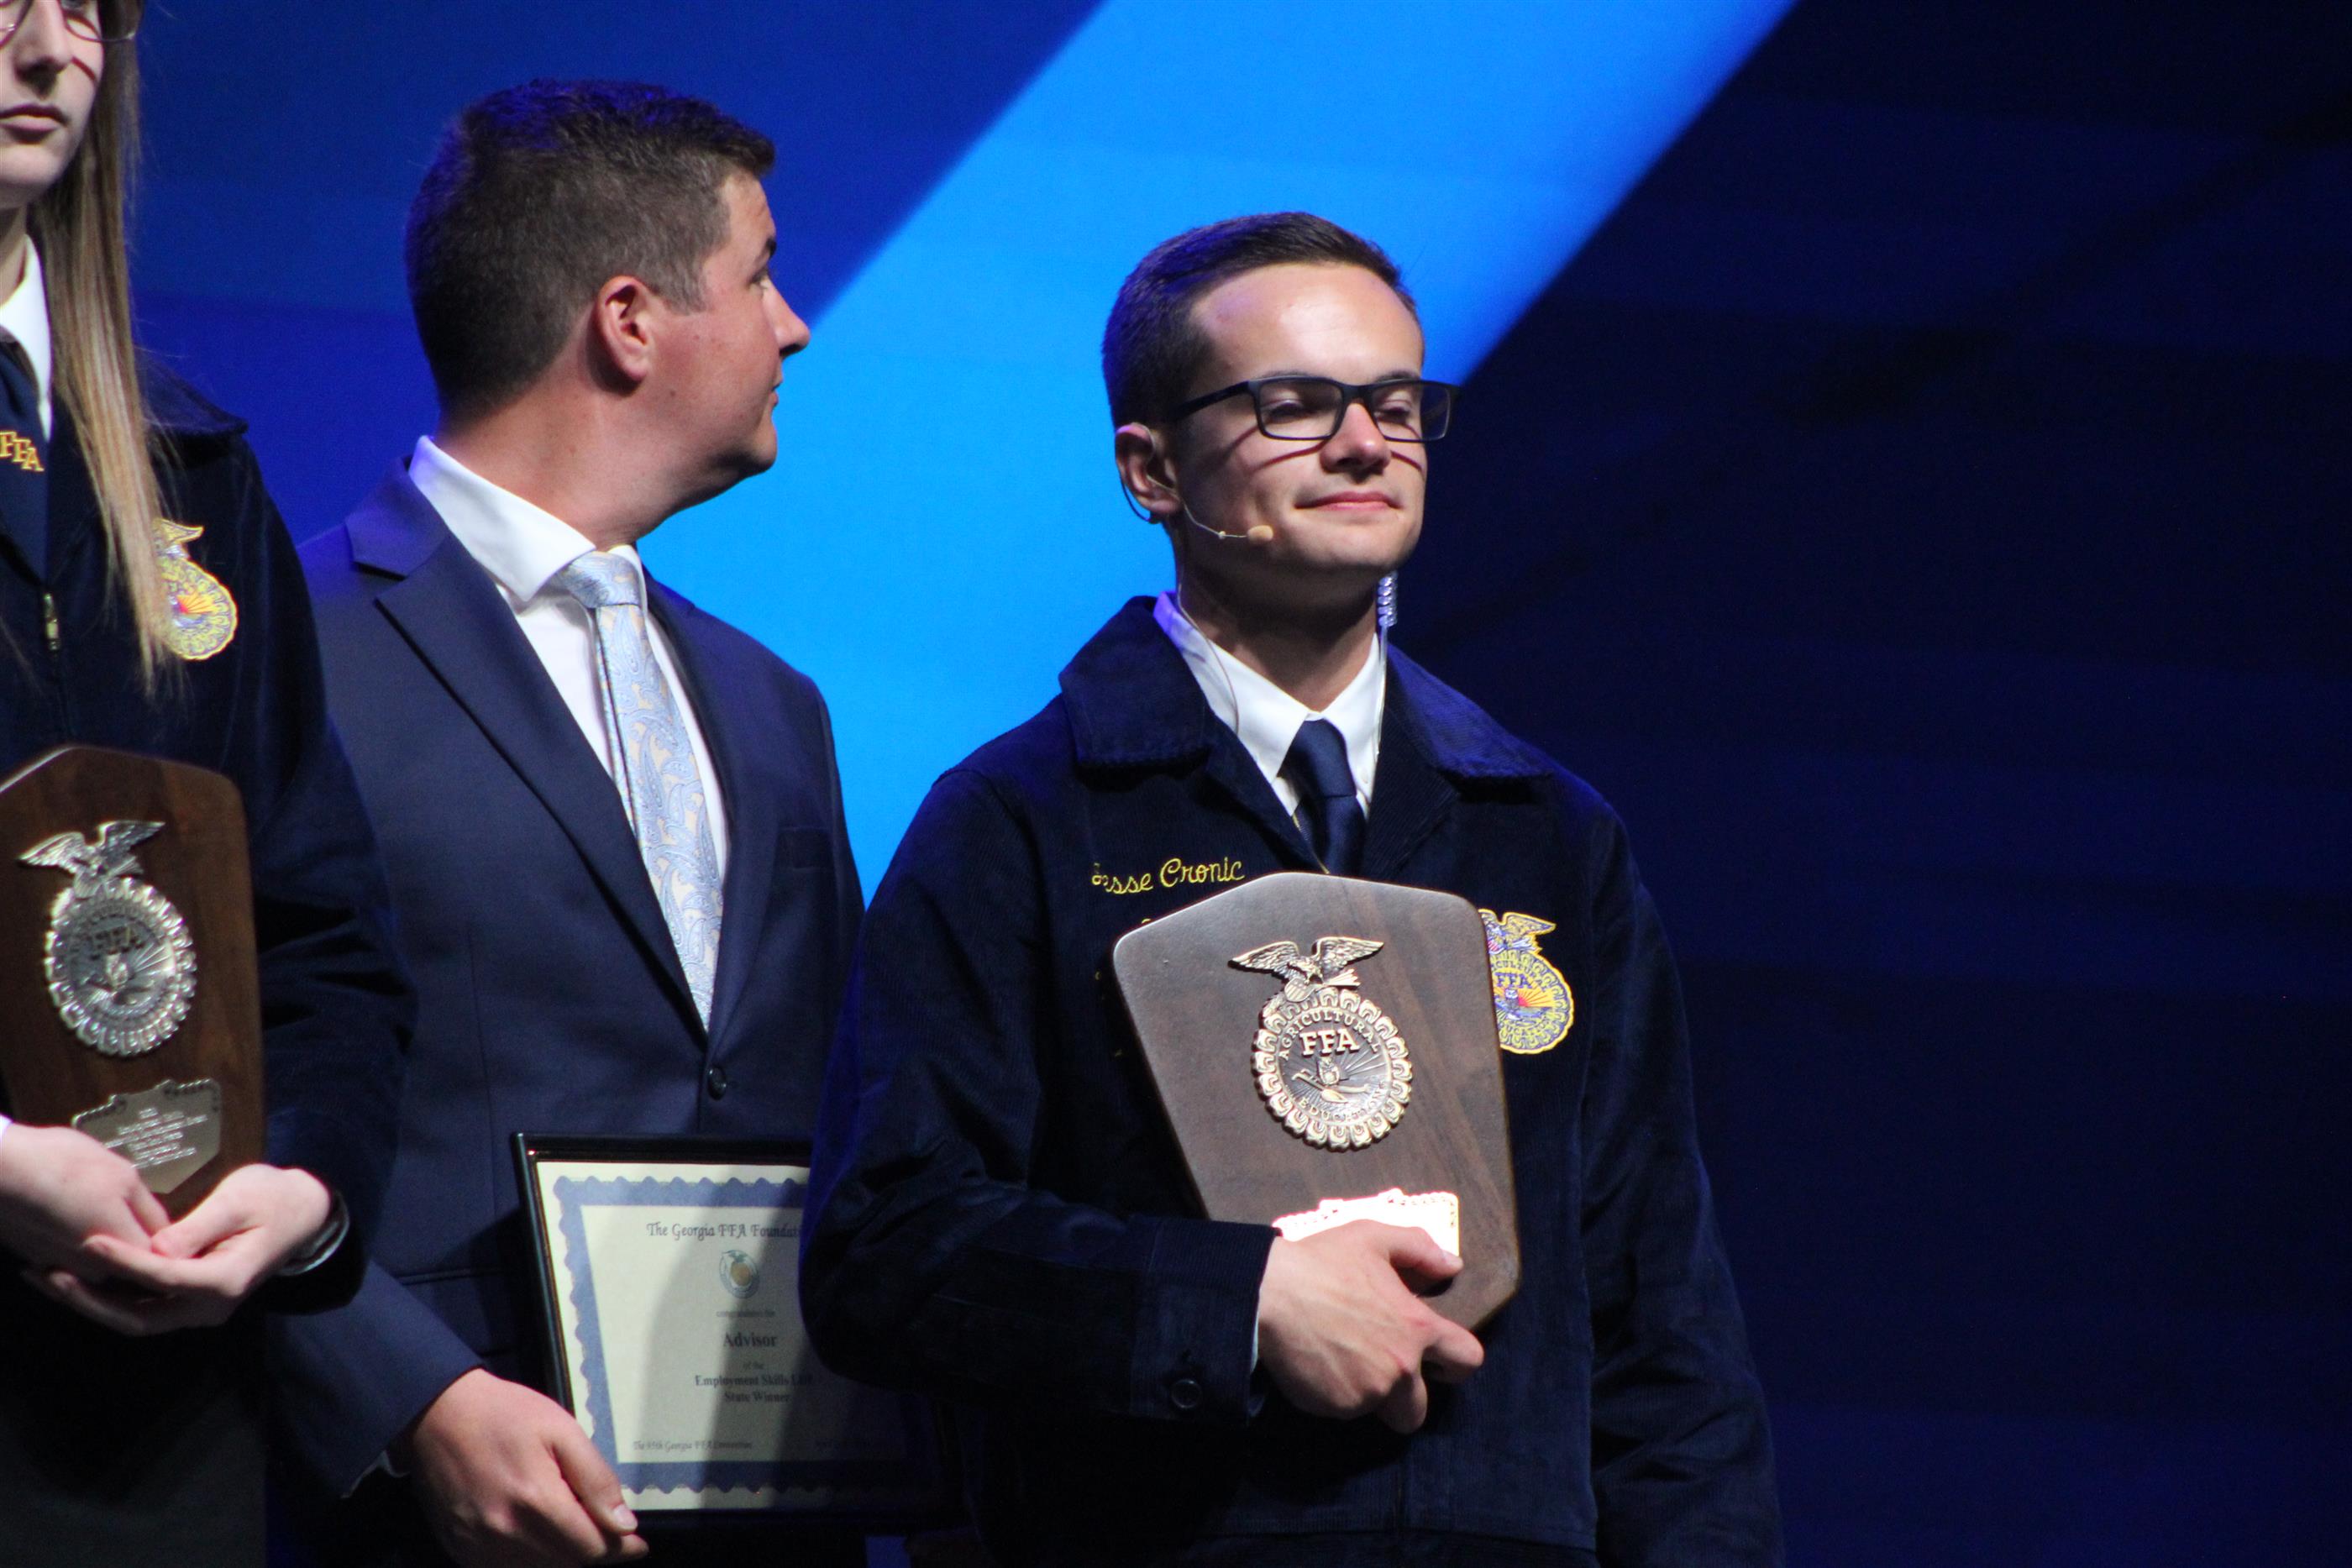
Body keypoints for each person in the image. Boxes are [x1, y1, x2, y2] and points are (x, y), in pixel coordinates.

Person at [801, 212, 1783, 1565]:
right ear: (1151, 468)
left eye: (1397, 403)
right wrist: (1243, 1304)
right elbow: (889, 1247)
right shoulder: (1023, 820)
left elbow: (1660, 1314)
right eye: (1295, 405)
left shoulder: (1547, 835)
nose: (1366, 443)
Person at [273, 80, 864, 1568]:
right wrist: (410, 1397)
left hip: (779, 1504)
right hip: (431, 1512)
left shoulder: (773, 701)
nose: (795, 328)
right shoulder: (279, 652)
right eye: (762, 276)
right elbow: (190, 1107)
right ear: (629, 321)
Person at [0, 1, 410, 1562]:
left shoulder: (198, 477)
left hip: (152, 1416)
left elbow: (325, 938)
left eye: (85, 8)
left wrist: (296, 1185)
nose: (50, 53)